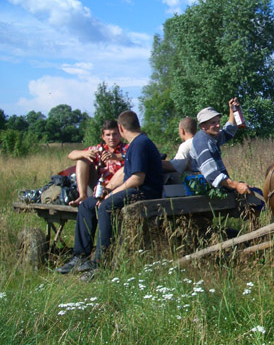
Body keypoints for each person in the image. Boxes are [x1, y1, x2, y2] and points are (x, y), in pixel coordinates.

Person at [57, 111, 164, 277]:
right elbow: (125, 173)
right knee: (87, 204)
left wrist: (112, 194)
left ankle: (101, 262)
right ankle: (80, 256)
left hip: (145, 192)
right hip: (133, 189)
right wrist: (108, 190)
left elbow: (137, 179)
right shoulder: (138, 143)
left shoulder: (140, 144)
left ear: (120, 129)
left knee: (107, 205)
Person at [190, 98, 252, 195]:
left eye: (218, 122)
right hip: (205, 191)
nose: (218, 125)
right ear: (203, 126)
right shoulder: (202, 142)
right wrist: (236, 185)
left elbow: (228, 131)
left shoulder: (211, 136)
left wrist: (232, 110)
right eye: (213, 123)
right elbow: (212, 174)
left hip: (218, 186)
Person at [67, 120, 127, 207]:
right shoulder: (99, 149)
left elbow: (136, 156)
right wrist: (84, 153)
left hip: (117, 188)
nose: (111, 138)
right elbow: (71, 154)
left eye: (115, 134)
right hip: (98, 187)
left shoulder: (127, 148)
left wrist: (116, 156)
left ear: (120, 134)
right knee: (82, 159)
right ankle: (82, 196)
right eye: (108, 135)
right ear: (103, 137)